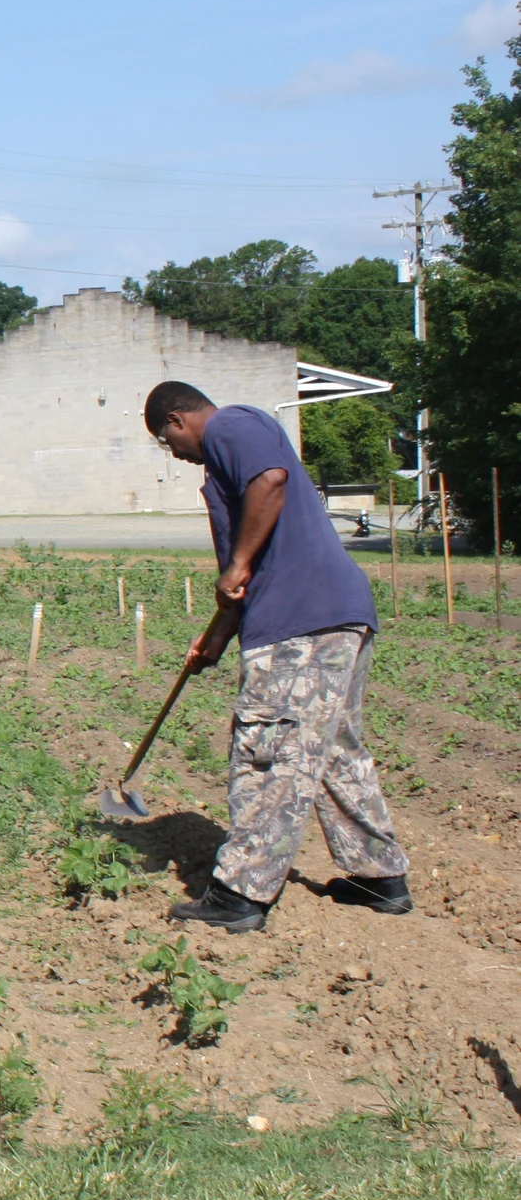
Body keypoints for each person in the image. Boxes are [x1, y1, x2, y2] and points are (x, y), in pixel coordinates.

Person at [145, 382, 408, 932]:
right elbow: (245, 578)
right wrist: (219, 635)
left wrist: (237, 564)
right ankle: (377, 876)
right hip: (333, 613)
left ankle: (241, 893)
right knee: (333, 751)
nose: (175, 454)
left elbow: (271, 481)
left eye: (167, 442)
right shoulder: (223, 468)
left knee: (269, 750)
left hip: (301, 621)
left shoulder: (231, 425)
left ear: (177, 419)